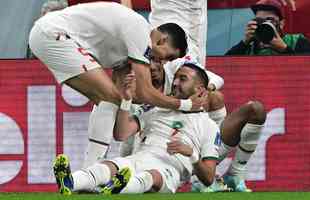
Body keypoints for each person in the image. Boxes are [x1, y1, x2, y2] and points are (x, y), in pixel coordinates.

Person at [52, 61, 220, 195]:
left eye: (182, 79)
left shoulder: (209, 126)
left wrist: (191, 154)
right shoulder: (156, 108)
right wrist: (126, 100)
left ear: (199, 89)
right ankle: (70, 181)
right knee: (111, 165)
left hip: (170, 168)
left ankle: (118, 187)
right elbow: (121, 133)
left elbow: (209, 178)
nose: (175, 83)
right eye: (175, 78)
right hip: (141, 157)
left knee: (151, 176)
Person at [226, 0, 310, 55]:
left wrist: (284, 49)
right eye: (259, 20)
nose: (264, 23)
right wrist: (244, 43)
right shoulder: (249, 48)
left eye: (270, 19)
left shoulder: (297, 41)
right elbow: (222, 70)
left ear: (281, 23)